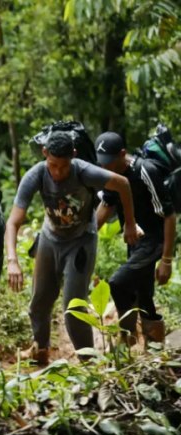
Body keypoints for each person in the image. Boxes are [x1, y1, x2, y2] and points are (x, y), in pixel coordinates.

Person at [5, 131, 140, 364]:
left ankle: (88, 362)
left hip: (81, 241)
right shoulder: (36, 175)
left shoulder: (84, 171)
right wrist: (12, 260)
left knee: (73, 307)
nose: (58, 172)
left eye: (64, 166)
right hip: (50, 237)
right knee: (39, 301)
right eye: (53, 165)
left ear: (73, 157)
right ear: (45, 154)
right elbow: (13, 221)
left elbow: (123, 184)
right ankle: (40, 350)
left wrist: (129, 223)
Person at [94, 131, 176, 345]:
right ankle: (155, 347)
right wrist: (85, 235)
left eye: (109, 162)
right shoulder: (111, 176)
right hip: (135, 242)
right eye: (102, 162)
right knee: (143, 294)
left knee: (118, 282)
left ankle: (126, 338)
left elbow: (169, 216)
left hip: (154, 240)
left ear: (122, 154)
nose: (105, 167)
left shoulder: (145, 172)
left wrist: (166, 260)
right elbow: (106, 205)